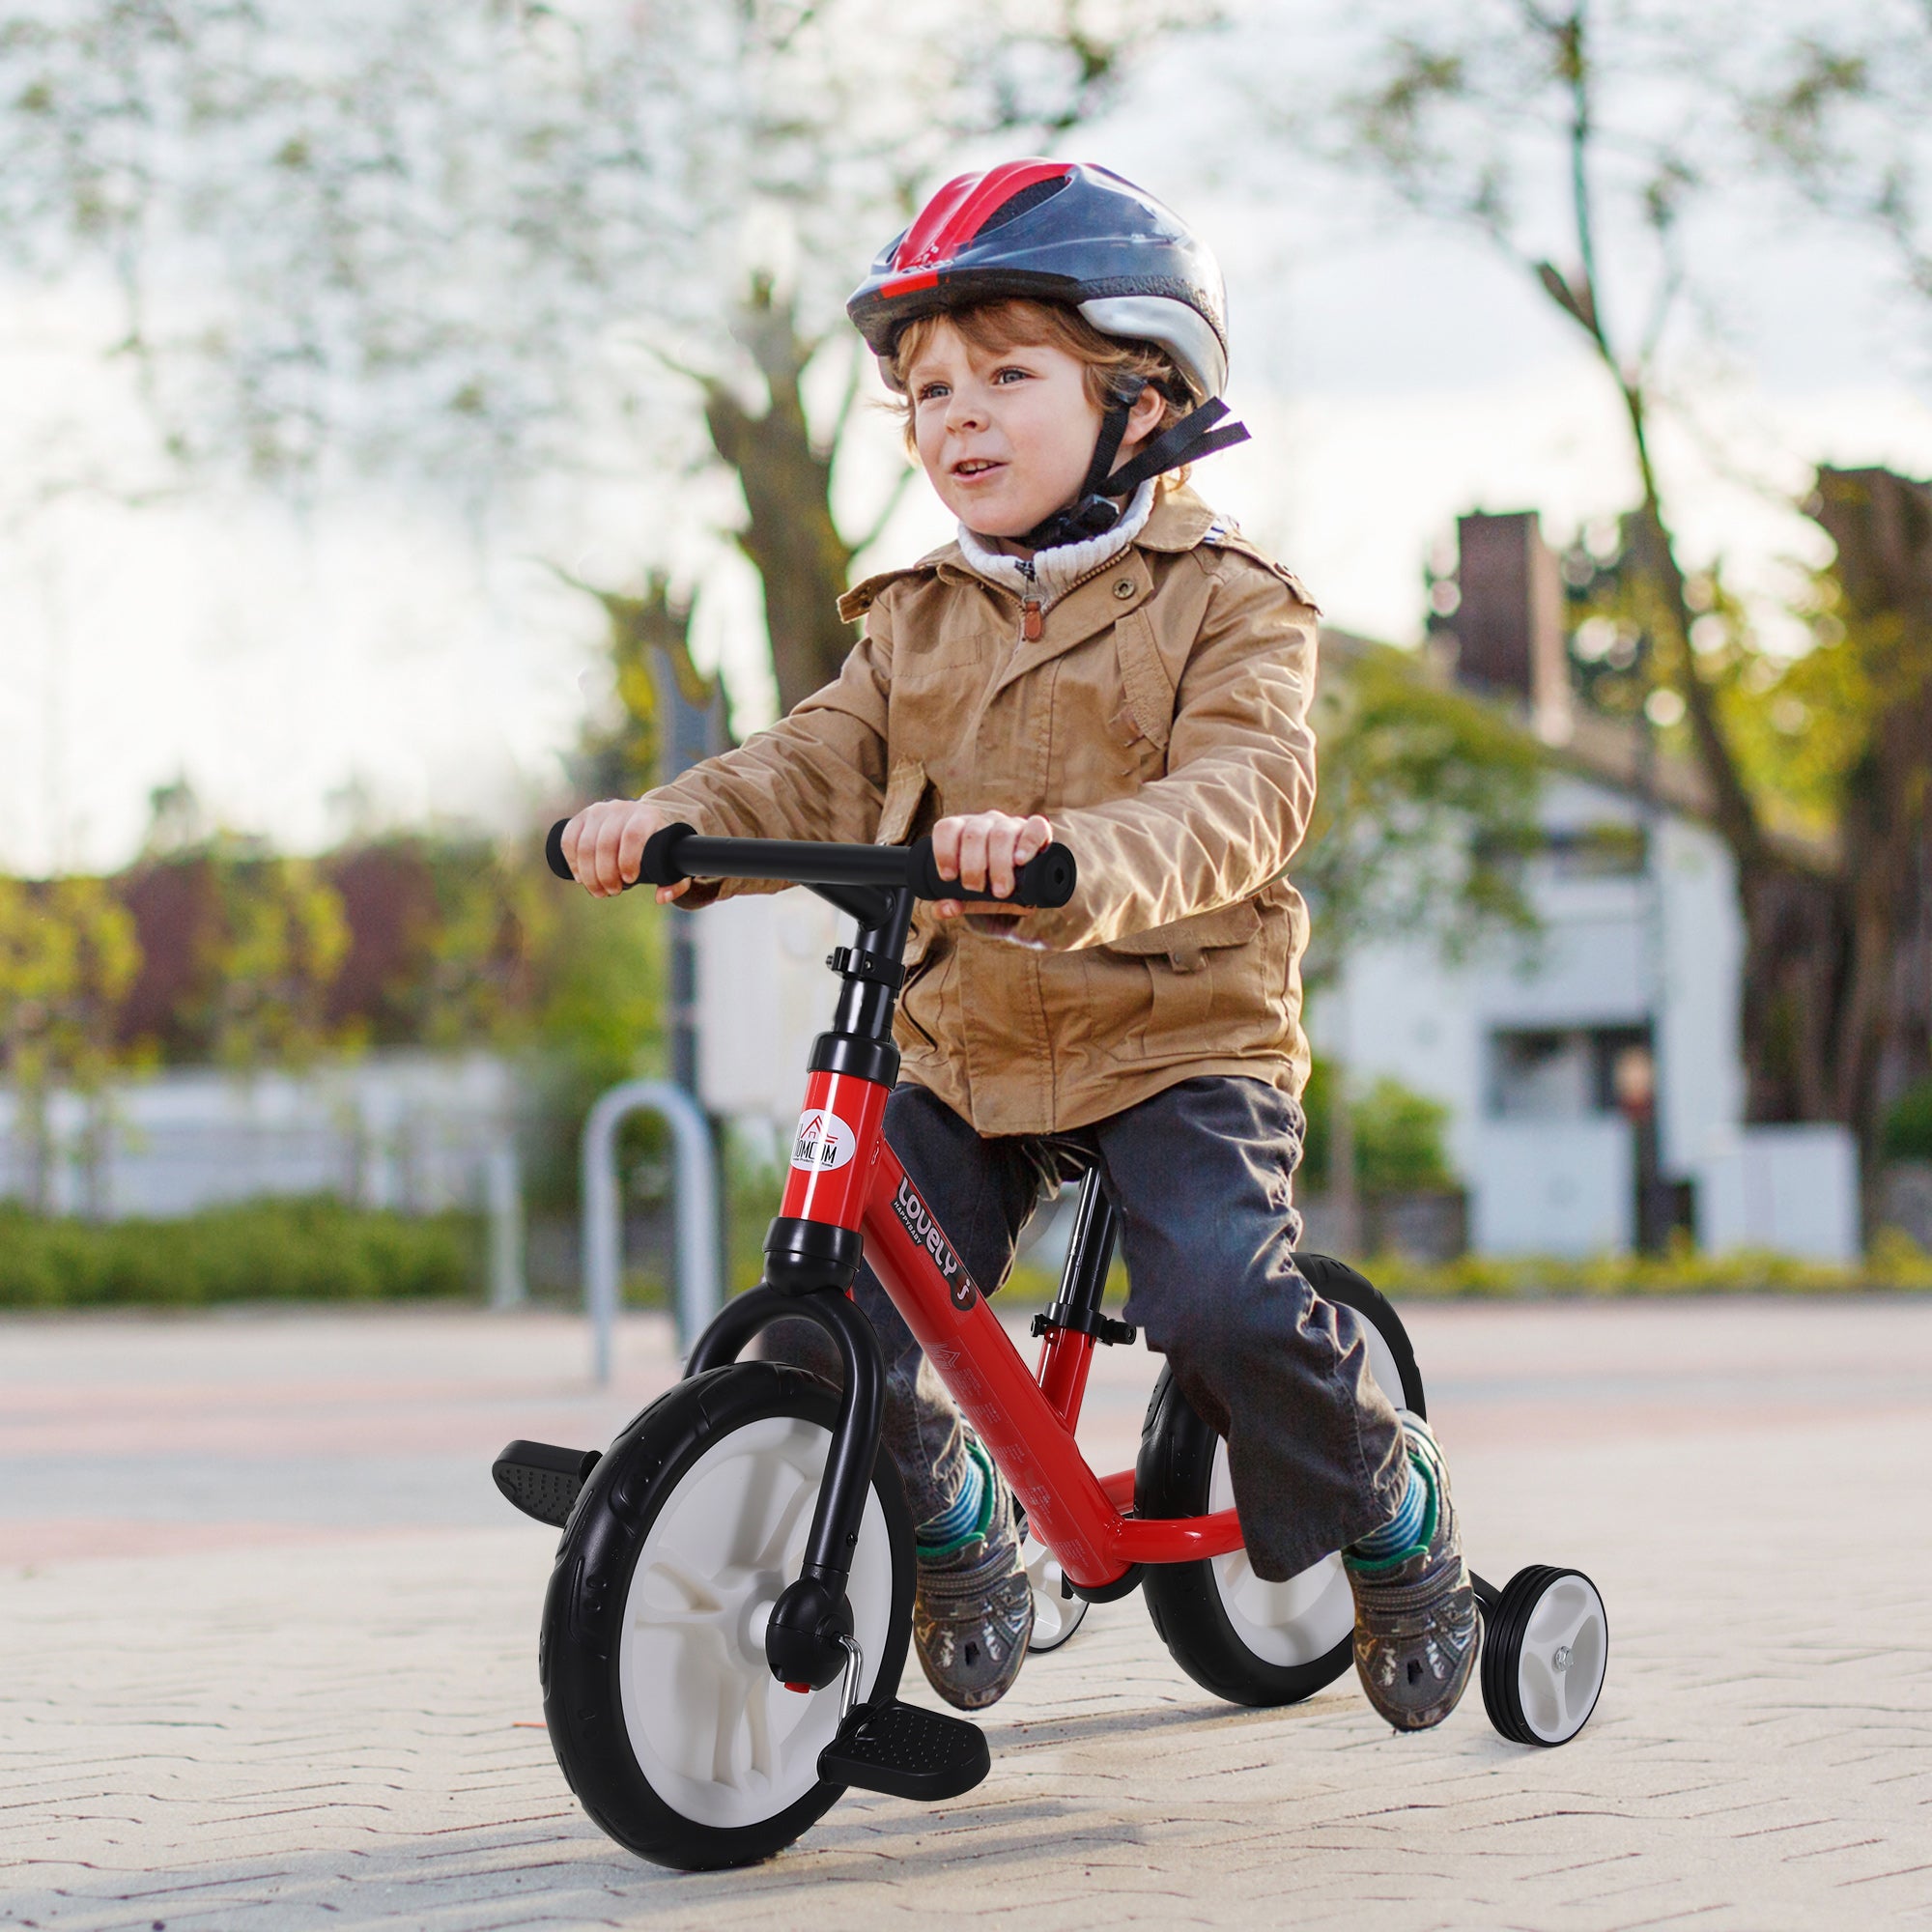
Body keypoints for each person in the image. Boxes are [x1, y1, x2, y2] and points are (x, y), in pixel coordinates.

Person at [561, 160, 1476, 1730]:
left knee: (1222, 1306)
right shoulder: (913, 616)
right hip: (970, 1038)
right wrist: (671, 818)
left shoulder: (1233, 602)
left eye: (1007, 373)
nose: (956, 415)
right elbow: (817, 753)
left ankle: (1394, 1516)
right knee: (826, 1303)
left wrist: (1077, 859)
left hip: (1177, 1039)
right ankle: (963, 1533)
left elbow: (1245, 791)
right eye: (925, 390)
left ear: (1141, 396)